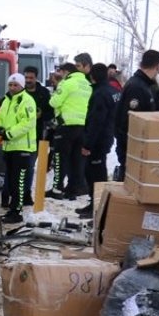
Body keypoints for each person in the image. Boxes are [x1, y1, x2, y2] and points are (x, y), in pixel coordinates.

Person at [114, 49, 159, 181]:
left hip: (135, 146)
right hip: (132, 147)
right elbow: (131, 121)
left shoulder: (143, 85)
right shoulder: (137, 87)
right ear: (158, 66)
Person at [0, 73, 36, 223]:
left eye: (15, 85)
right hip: (9, 147)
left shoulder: (27, 100)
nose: (12, 87)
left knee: (19, 182)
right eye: (10, 84)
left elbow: (28, 123)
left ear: (22, 85)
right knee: (11, 181)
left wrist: (9, 133)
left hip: (23, 148)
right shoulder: (6, 101)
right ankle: (12, 209)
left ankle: (17, 212)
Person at [47, 54, 92, 200]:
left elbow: (54, 102)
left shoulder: (67, 83)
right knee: (76, 160)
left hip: (66, 126)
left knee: (60, 159)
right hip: (82, 127)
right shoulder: (87, 85)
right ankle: (72, 190)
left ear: (67, 72)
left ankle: (57, 189)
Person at [78, 64, 118, 219]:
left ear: (93, 76)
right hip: (107, 136)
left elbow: (96, 121)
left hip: (98, 140)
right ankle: (94, 202)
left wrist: (88, 144)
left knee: (94, 173)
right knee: (96, 171)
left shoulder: (100, 94)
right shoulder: (113, 91)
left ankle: (97, 205)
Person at [22, 66, 52, 204]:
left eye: (31, 78)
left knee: (30, 167)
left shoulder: (44, 93)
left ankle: (27, 195)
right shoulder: (19, 91)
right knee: (20, 168)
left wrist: (42, 115)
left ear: (36, 78)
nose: (28, 80)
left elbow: (51, 112)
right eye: (26, 77)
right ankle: (16, 195)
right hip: (19, 137)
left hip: (37, 136)